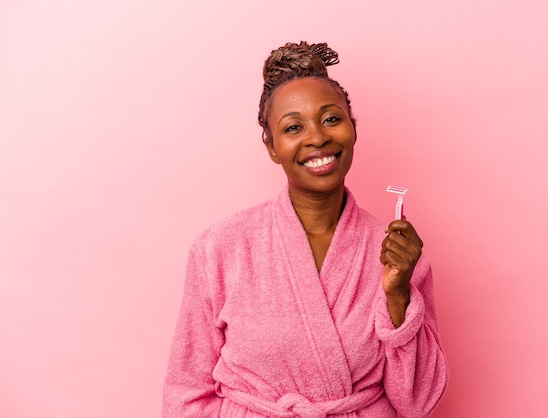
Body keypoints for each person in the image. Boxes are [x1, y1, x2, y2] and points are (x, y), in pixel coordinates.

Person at [163, 41, 448, 418]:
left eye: (331, 119)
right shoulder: (219, 249)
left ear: (352, 128)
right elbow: (186, 393)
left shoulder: (398, 256)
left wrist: (398, 295)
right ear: (272, 146)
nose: (317, 138)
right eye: (294, 127)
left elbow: (419, 402)